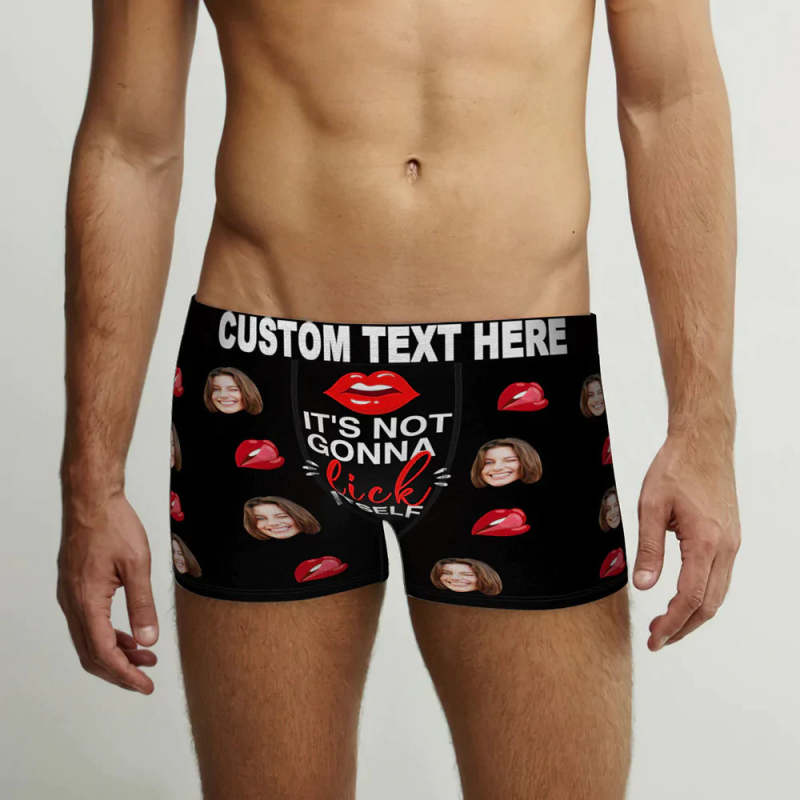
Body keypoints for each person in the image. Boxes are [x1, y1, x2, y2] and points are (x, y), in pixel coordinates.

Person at [56, 1, 741, 798]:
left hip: (519, 390)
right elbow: (129, 145)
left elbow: (670, 99)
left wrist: (704, 429)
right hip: (262, 383)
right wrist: (91, 485)